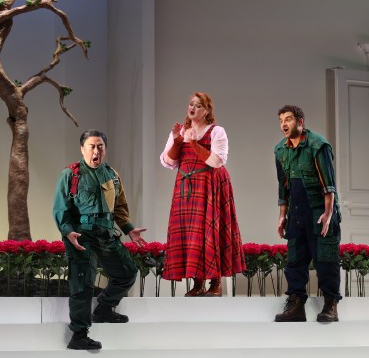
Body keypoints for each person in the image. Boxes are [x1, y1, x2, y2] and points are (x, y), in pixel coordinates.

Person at [53, 129, 147, 350]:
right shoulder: (71, 174)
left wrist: (128, 228)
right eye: (91, 146)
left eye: (100, 147)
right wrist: (67, 231)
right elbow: (60, 207)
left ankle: (104, 309)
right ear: (82, 149)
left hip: (105, 233)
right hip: (80, 236)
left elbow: (120, 206)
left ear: (105, 149)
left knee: (127, 272)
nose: (96, 151)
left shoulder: (111, 174)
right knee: (83, 282)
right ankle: (79, 334)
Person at [160, 91, 246, 297]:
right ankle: (197, 283)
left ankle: (215, 283)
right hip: (186, 187)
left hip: (209, 184)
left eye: (198, 106)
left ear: (206, 111)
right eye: (191, 104)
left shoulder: (217, 131)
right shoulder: (180, 131)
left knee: (211, 230)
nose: (193, 108)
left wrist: (193, 144)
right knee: (191, 234)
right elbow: (167, 161)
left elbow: (217, 161)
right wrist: (178, 141)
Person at [273, 105, 342, 322]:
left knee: (325, 259)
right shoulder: (280, 150)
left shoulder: (317, 145)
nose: (284, 124)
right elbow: (283, 185)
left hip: (319, 212)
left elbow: (328, 184)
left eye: (289, 119)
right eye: (281, 120)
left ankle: (331, 305)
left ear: (300, 121)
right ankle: (296, 304)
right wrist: (283, 215)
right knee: (294, 260)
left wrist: (329, 213)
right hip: (296, 213)